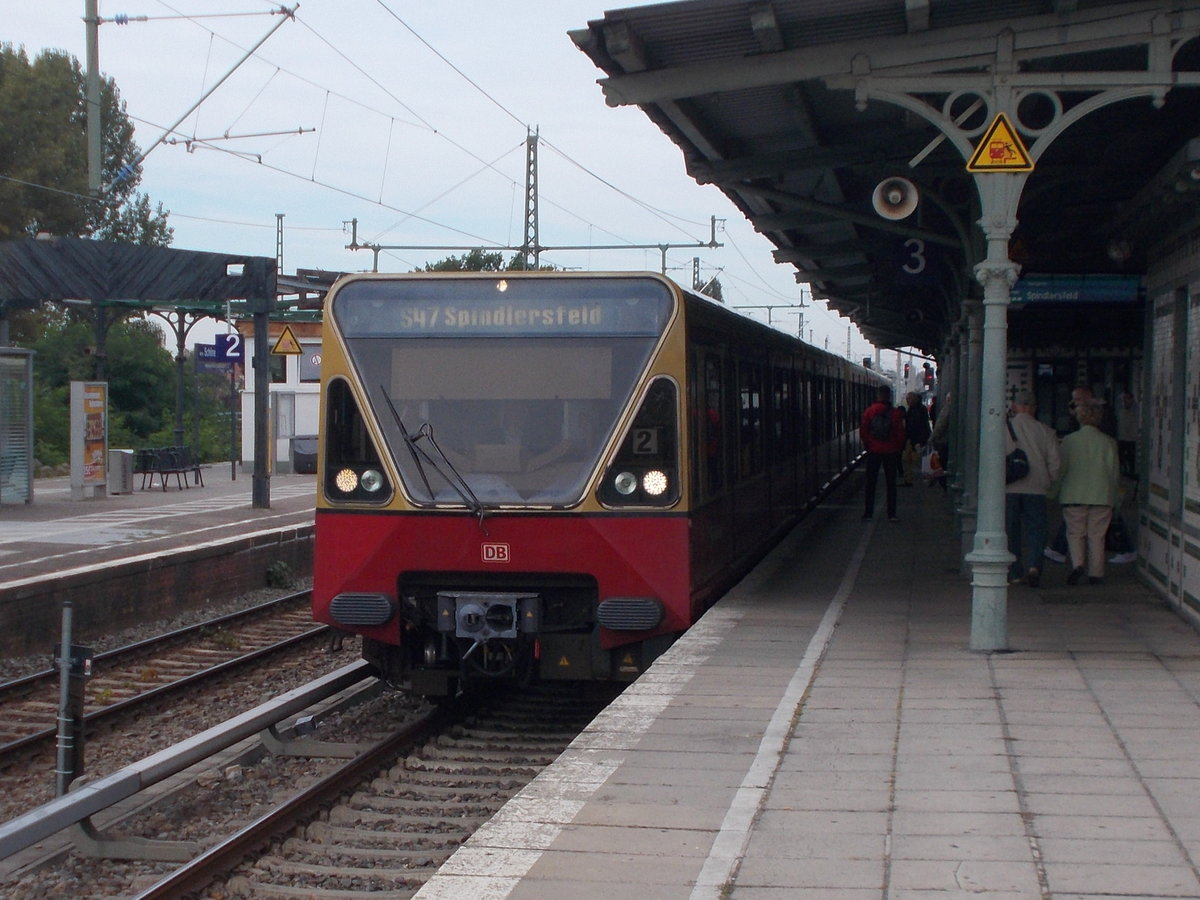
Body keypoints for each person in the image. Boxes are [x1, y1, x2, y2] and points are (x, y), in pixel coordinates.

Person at [1051, 399, 1120, 585]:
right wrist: (1116, 498)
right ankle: (1096, 573)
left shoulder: (1069, 441)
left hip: (1074, 494)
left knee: (1075, 533)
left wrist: (1052, 492)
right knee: (1097, 536)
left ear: (1079, 418)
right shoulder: (1108, 443)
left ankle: (1078, 565)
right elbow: (1114, 473)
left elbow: (1061, 469)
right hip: (1102, 496)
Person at [1004, 390, 1061, 588]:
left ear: (1014, 407)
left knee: (1011, 530)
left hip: (1009, 486)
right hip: (1037, 487)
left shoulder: (1005, 428)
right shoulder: (1046, 431)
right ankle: (1035, 566)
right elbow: (1055, 462)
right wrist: (1049, 481)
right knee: (1037, 529)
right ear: (1034, 408)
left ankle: (1015, 571)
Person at [859, 385, 905, 521]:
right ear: (889, 396)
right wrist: (898, 448)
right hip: (891, 451)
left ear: (878, 395)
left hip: (874, 451)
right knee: (891, 483)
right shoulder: (895, 413)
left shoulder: (869, 411)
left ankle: (868, 513)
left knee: (871, 482)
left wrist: (868, 445)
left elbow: (863, 431)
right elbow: (900, 433)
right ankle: (891, 514)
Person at [901, 391, 931, 486]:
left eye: (909, 398)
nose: (907, 401)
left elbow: (921, 426)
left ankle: (924, 479)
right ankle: (908, 480)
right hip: (910, 439)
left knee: (916, 460)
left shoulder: (918, 410)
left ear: (914, 399)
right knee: (907, 459)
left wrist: (920, 441)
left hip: (916, 440)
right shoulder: (914, 409)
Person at [1115, 389, 1138, 479]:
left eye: (1127, 399)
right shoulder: (1120, 410)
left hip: (1132, 438)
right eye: (1124, 399)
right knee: (1121, 457)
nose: (1125, 401)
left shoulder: (1136, 410)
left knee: (1131, 457)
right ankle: (1123, 471)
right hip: (1122, 437)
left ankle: (1131, 472)